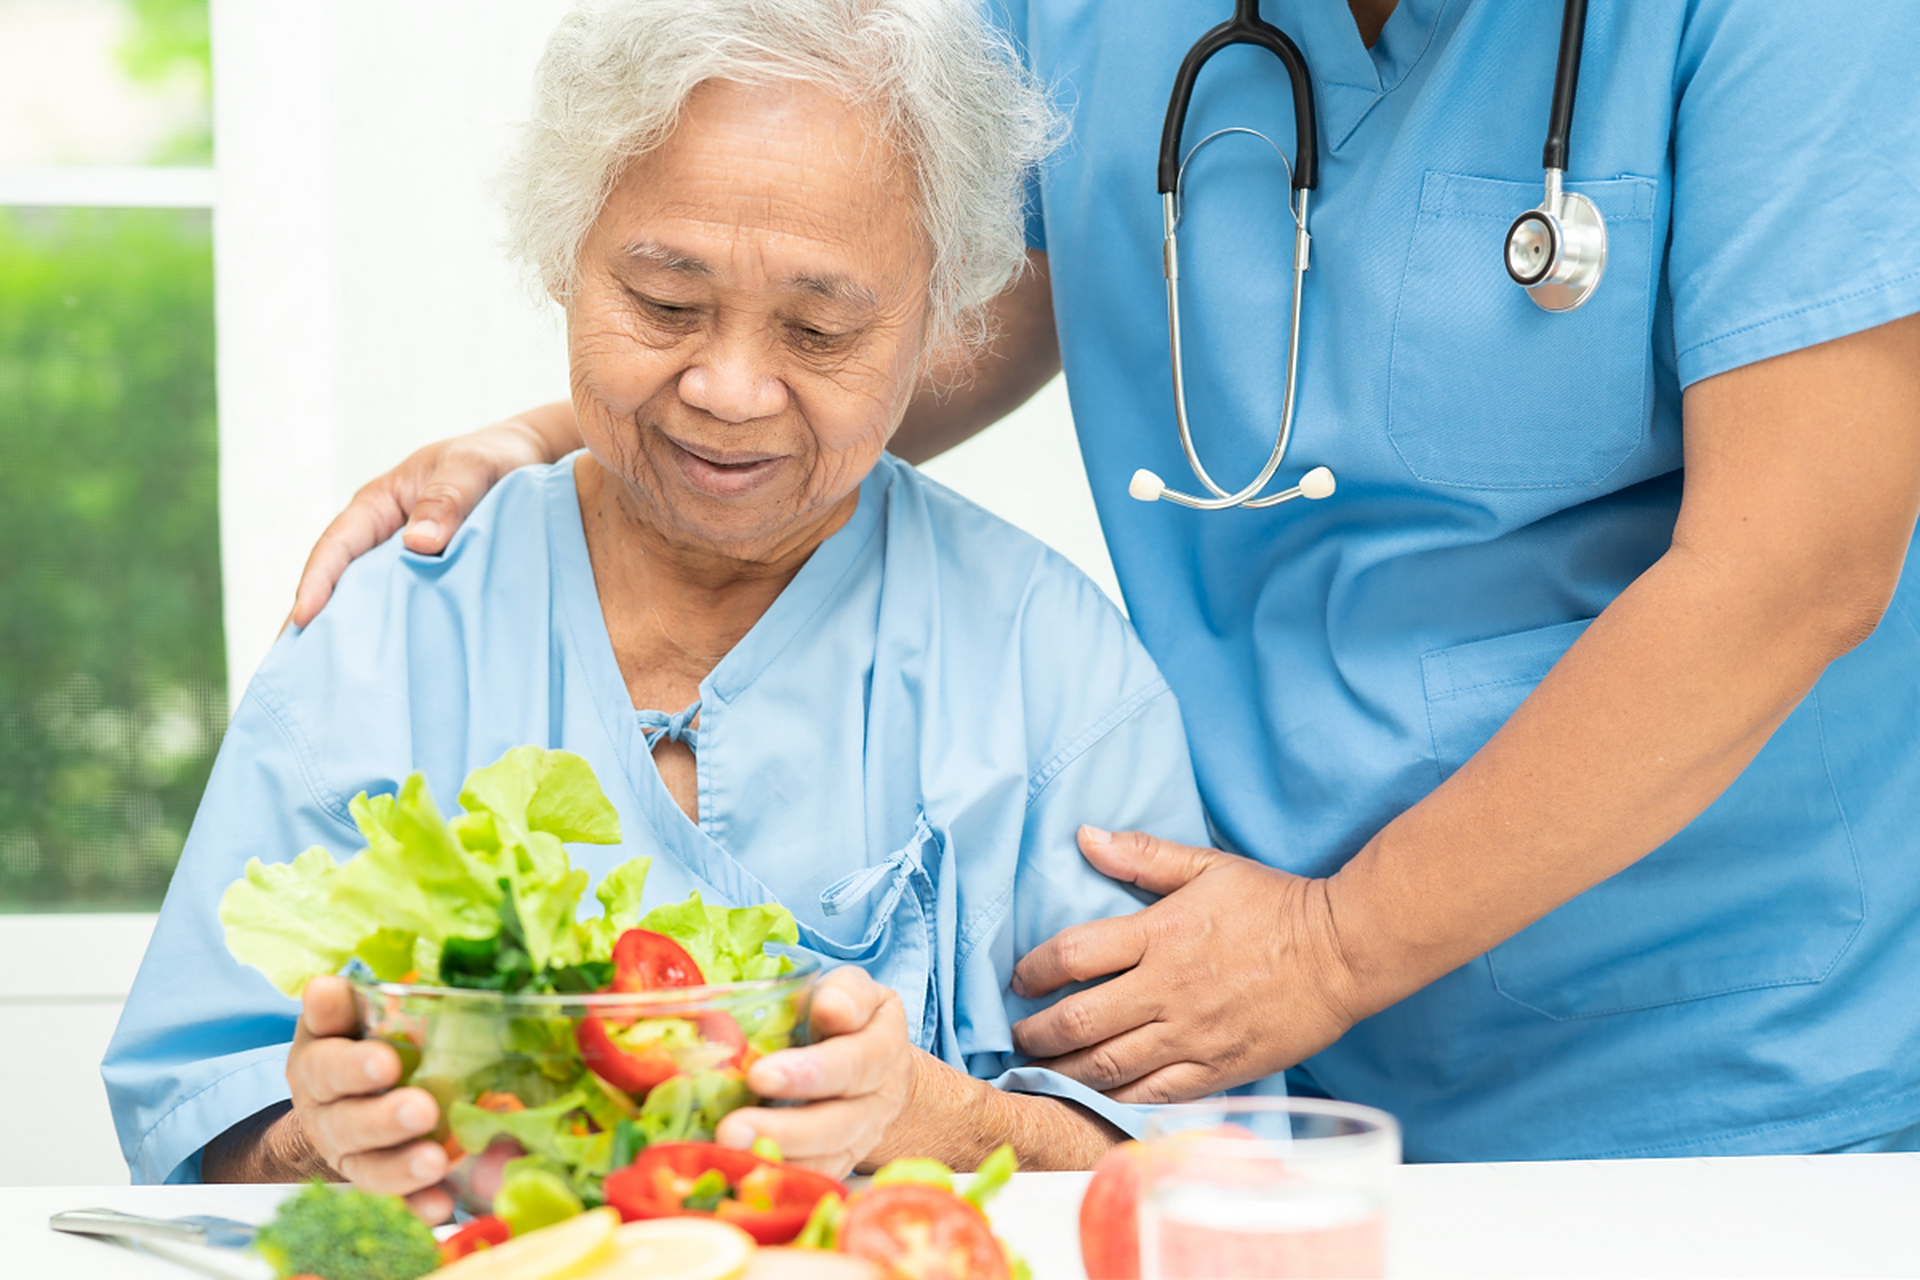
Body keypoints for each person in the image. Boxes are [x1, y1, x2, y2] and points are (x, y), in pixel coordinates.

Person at [302, 0, 1920, 1161]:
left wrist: (1334, 946)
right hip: (1218, 994)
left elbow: (1796, 566)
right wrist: (585, 437)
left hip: (1693, 1044)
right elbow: (910, 306)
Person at [102, 0, 1226, 1210]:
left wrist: (941, 1118)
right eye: (665, 304)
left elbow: (1197, 1169)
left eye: (820, 328)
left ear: (942, 318)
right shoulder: (387, 634)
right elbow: (199, 1129)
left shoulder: (1055, 668)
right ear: (562, 255)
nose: (731, 388)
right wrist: (325, 1136)